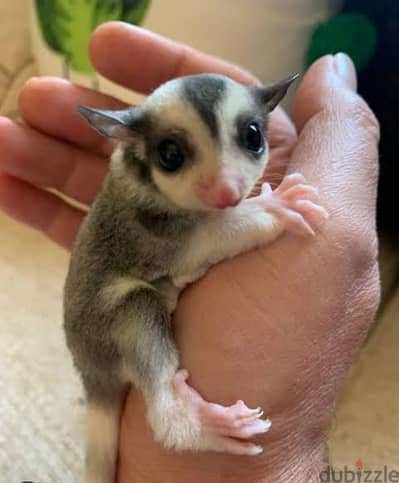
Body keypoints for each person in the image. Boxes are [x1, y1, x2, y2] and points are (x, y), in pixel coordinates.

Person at [0, 22, 379, 483]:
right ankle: (174, 417)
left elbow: (211, 231)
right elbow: (193, 249)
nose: (226, 187)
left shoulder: (163, 184)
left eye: (250, 139)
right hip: (113, 317)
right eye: (175, 157)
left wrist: (266, 212)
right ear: (138, 150)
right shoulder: (138, 196)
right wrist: (269, 216)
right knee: (134, 304)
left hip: (151, 284)